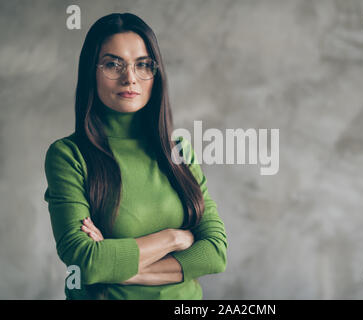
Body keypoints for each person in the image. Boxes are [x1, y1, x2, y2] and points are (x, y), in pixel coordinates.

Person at [43, 13, 227, 300]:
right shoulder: (68, 155)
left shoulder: (178, 149)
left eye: (142, 65)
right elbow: (85, 262)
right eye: (113, 64)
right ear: (91, 71)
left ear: (156, 73)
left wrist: (123, 268)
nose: (130, 78)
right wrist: (175, 238)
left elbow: (215, 252)